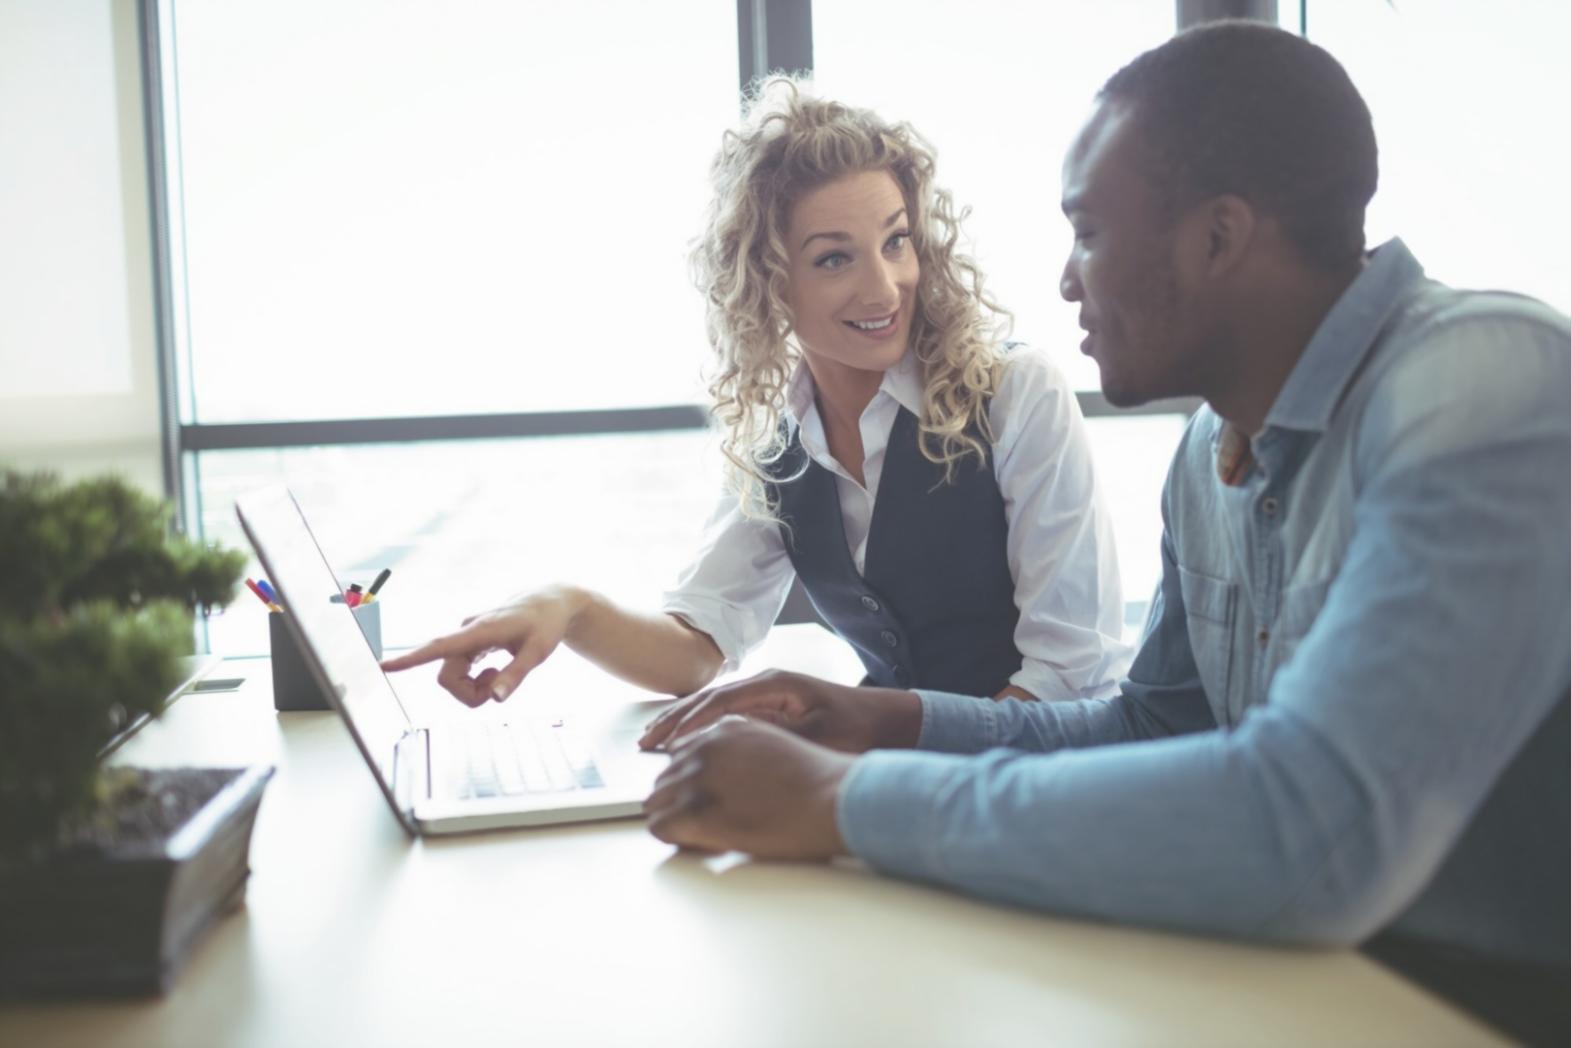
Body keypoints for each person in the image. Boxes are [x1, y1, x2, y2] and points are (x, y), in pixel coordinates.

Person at [639, 20, 1571, 997]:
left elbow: (1307, 827)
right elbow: (1148, 726)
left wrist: (845, 798)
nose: (1065, 278)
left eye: (1087, 232)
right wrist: (873, 719)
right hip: (1310, 983)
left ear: (1216, 239)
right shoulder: (1208, 454)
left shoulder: (1478, 386)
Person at [382, 80, 1131, 708]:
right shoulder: (782, 445)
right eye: (833, 258)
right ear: (768, 282)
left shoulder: (1015, 393)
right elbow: (694, 649)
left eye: (895, 241)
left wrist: (885, 766)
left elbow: (1071, 674)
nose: (884, 287)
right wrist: (569, 606)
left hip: (1037, 784)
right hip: (911, 777)